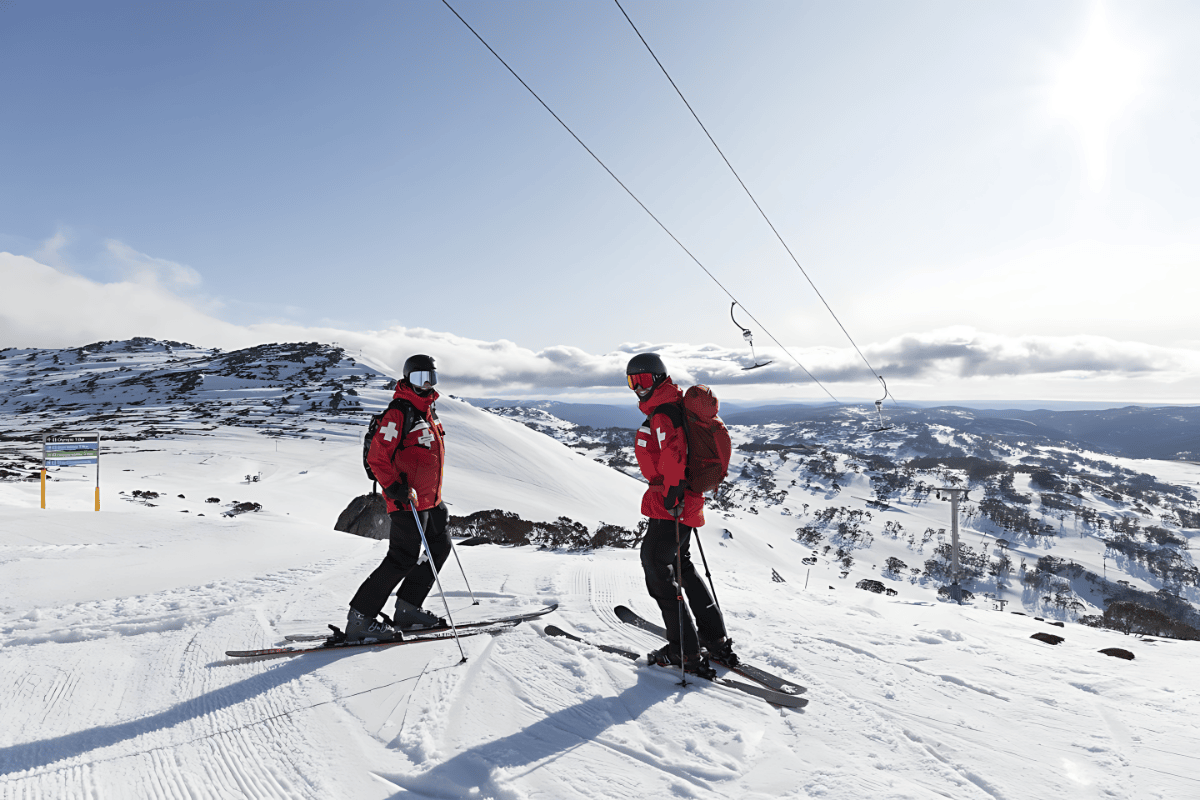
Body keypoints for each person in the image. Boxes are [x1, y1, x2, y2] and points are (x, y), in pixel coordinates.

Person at [626, 353, 738, 678]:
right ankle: (713, 638)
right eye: (633, 382)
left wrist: (673, 491)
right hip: (683, 500)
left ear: (659, 378)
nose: (638, 389)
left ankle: (684, 651)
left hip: (670, 502)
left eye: (644, 381)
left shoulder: (664, 413)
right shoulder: (672, 405)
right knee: (681, 565)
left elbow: (673, 450)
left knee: (657, 568)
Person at [345, 354, 451, 643]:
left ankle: (408, 608)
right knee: (401, 558)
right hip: (406, 501)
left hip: (431, 500)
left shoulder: (428, 411)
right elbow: (377, 457)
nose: (426, 384)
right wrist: (393, 488)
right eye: (420, 378)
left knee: (439, 547)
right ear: (407, 379)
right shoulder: (399, 413)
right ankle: (360, 618)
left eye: (431, 377)